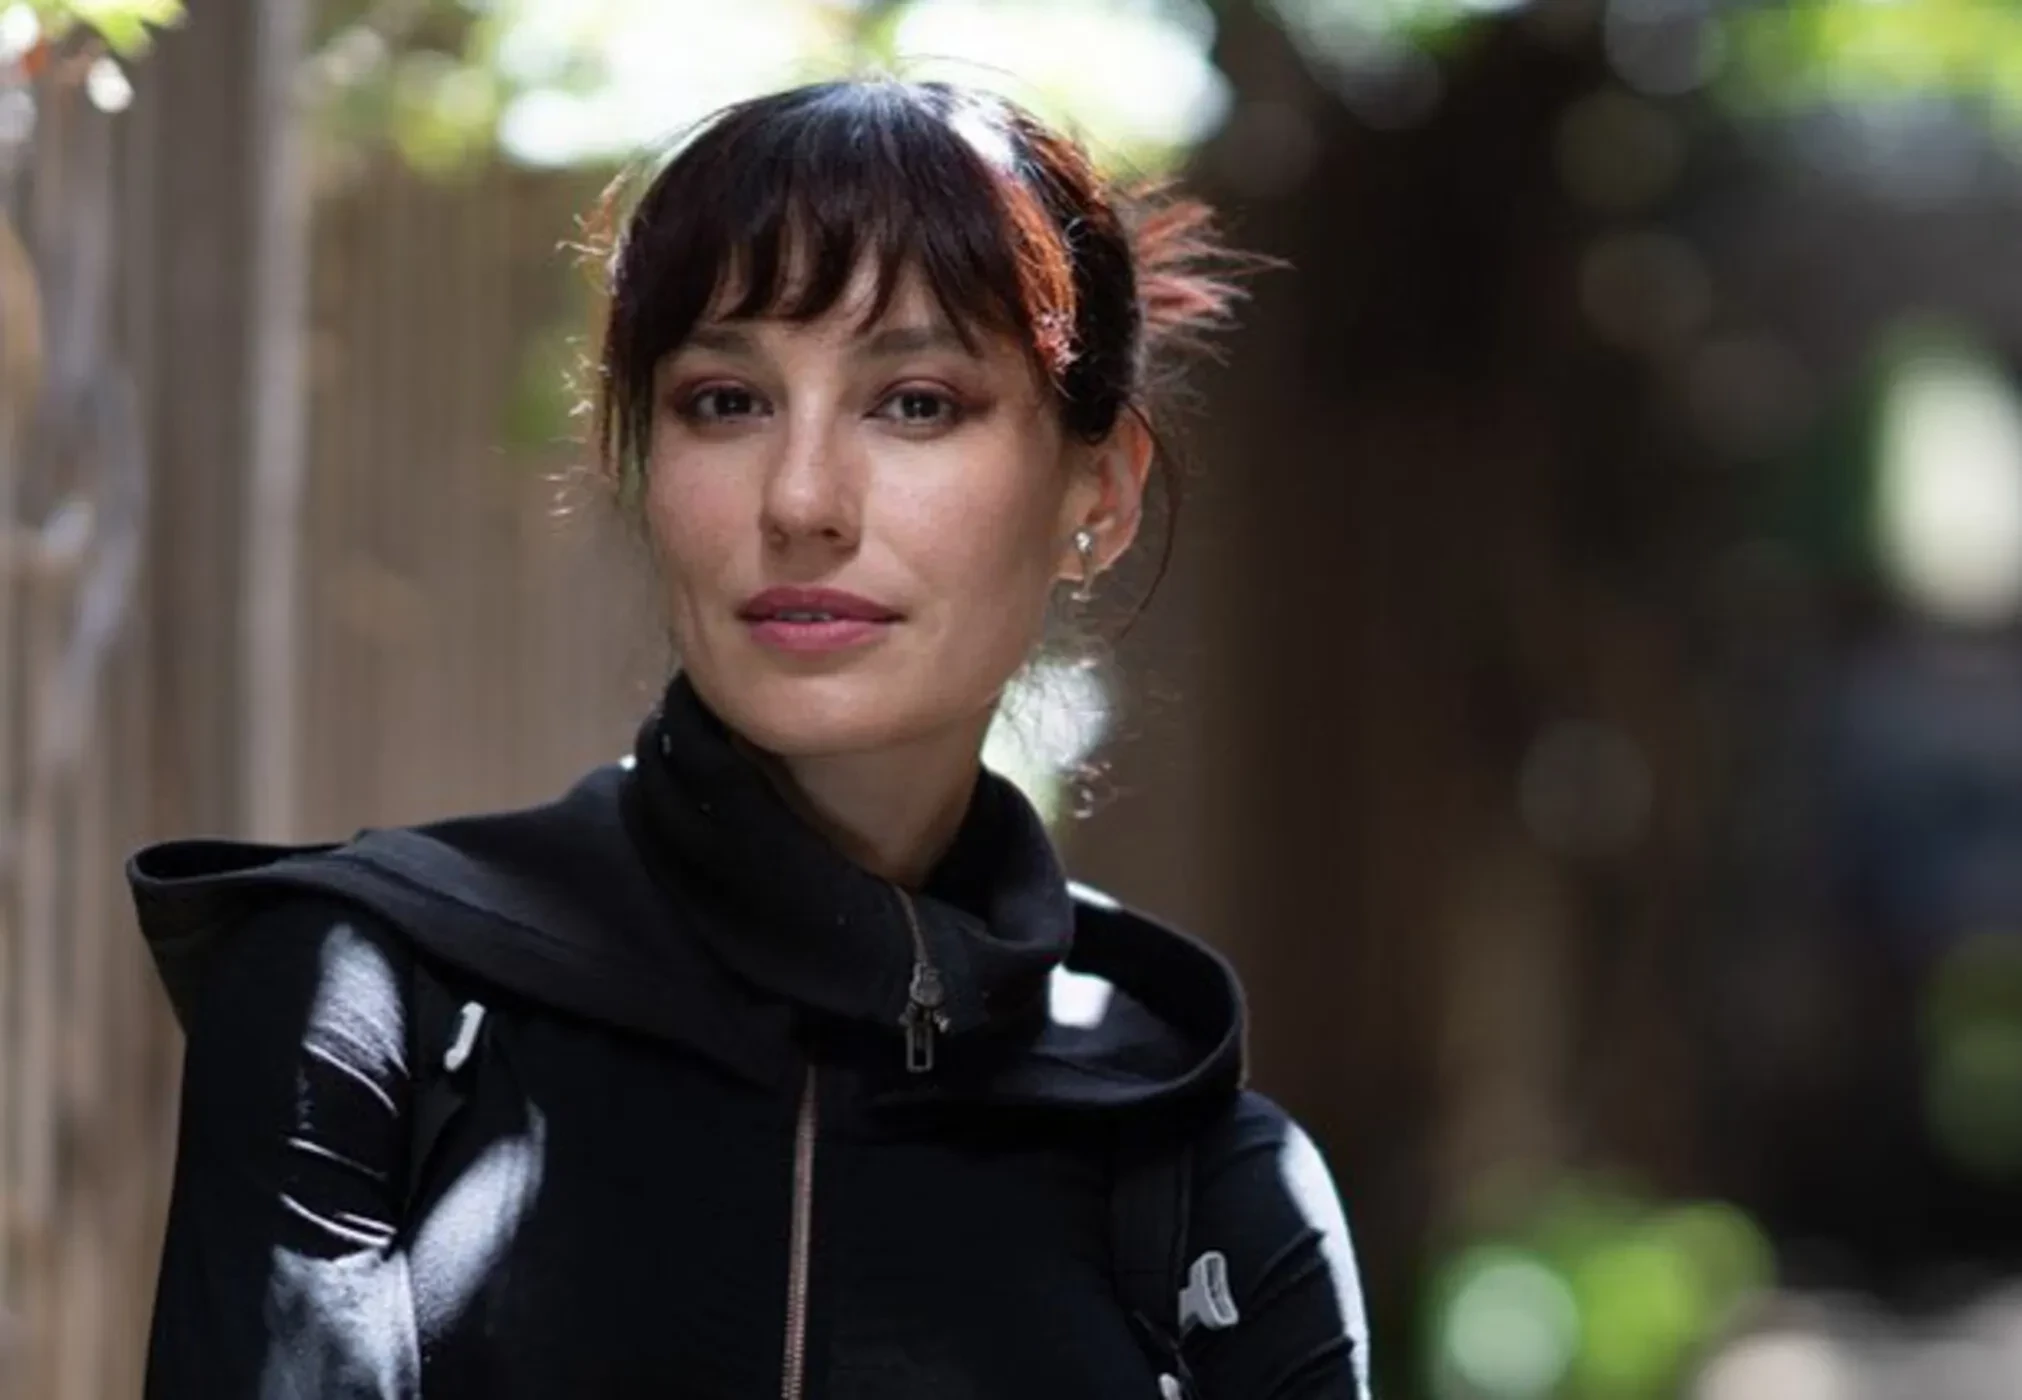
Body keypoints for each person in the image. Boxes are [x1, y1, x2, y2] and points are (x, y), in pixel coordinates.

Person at [128, 78, 1374, 1399]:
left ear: (1100, 494)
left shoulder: (1201, 1184)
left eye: (915, 403)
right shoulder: (371, 997)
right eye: (725, 401)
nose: (800, 499)